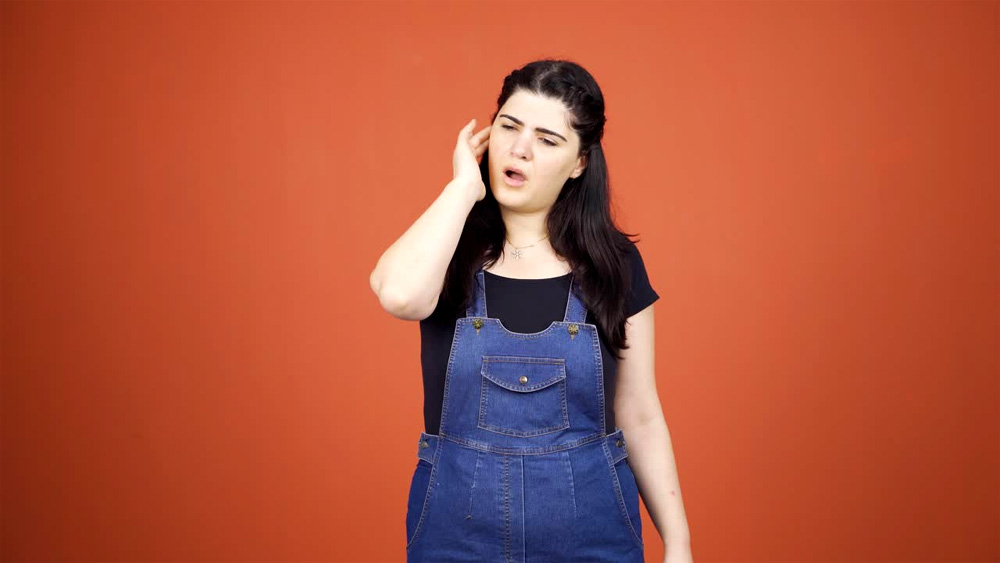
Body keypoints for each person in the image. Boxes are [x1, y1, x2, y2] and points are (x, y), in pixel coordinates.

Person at [369, 59, 692, 563]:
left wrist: (678, 544)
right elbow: (399, 296)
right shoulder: (445, 248)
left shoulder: (614, 264)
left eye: (547, 139)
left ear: (579, 163)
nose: (519, 149)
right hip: (456, 539)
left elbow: (640, 412)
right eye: (509, 127)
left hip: (594, 539)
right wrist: (462, 188)